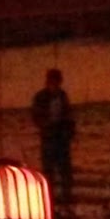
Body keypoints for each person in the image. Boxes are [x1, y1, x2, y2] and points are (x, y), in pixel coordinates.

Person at [31, 68, 77, 204]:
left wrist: (70, 131)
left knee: (64, 169)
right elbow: (36, 116)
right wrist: (46, 124)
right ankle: (49, 197)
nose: (55, 84)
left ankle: (66, 196)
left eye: (57, 81)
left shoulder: (62, 95)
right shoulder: (41, 97)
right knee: (49, 169)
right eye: (53, 81)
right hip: (49, 137)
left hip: (62, 137)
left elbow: (68, 114)